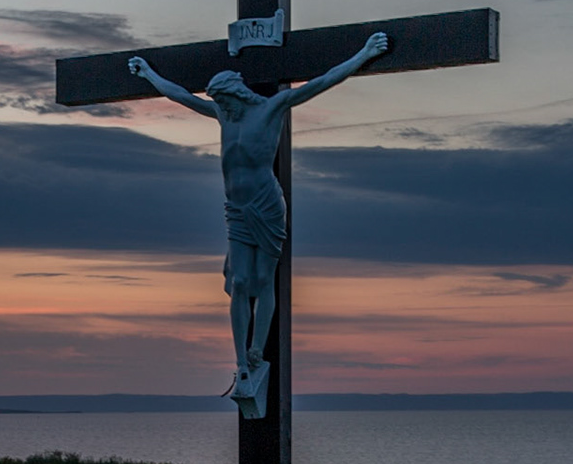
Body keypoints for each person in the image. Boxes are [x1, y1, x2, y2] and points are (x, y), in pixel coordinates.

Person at [129, 31, 389, 414]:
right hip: (235, 208)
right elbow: (181, 96)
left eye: (224, 101)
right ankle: (241, 363)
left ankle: (257, 351)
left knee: (263, 280)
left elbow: (322, 82)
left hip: (265, 205)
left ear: (237, 94)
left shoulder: (271, 108)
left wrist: (363, 54)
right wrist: (150, 74)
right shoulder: (223, 114)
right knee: (238, 282)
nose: (221, 108)